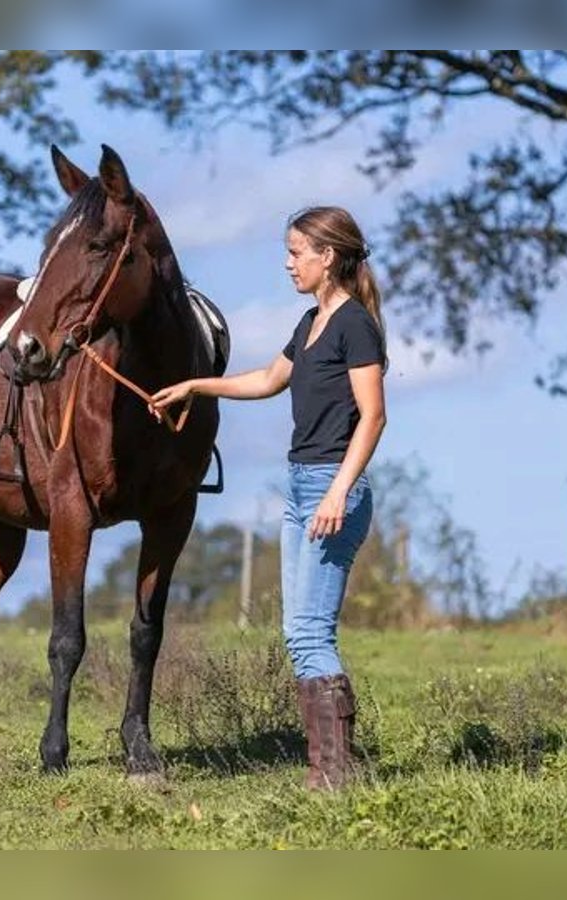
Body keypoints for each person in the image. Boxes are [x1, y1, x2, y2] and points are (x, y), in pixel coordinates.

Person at [149, 206, 387, 790]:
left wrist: (338, 492)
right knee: (298, 630)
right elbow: (265, 380)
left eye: (295, 252)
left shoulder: (355, 324)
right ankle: (331, 769)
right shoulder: (311, 322)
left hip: (334, 486)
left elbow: (375, 417)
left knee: (310, 632)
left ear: (327, 256)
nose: (287, 263)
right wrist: (194, 385)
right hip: (300, 484)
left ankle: (332, 773)